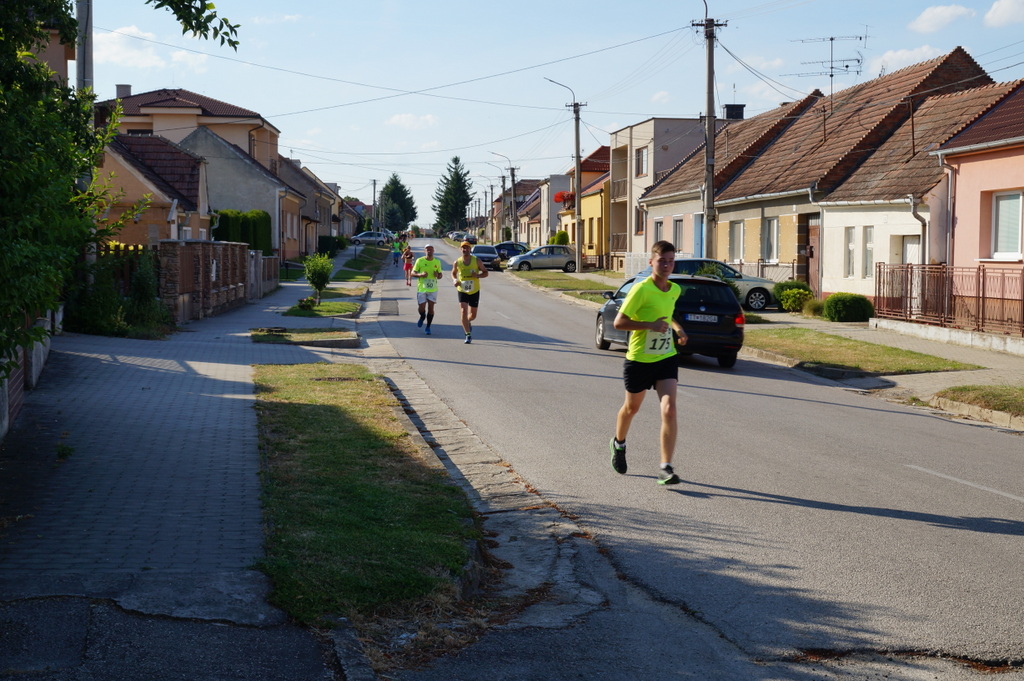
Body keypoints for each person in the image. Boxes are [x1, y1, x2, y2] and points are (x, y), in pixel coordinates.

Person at [609, 240, 688, 485]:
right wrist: (649, 325)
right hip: (639, 359)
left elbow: (668, 312)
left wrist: (678, 328)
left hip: (665, 357)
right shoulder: (640, 289)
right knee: (632, 409)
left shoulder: (674, 289)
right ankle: (618, 443)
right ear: (651, 262)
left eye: (671, 261)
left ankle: (665, 467)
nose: (666, 265)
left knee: (670, 409)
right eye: (662, 260)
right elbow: (619, 323)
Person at [451, 240, 488, 344]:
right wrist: (455, 280)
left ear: (470, 249)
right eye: (463, 248)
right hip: (462, 289)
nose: (465, 249)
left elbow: (485, 273)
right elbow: (453, 273)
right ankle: (468, 335)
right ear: (461, 249)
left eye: (467, 248)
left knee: (473, 315)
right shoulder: (457, 262)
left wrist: (477, 275)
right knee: (463, 311)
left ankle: (468, 321)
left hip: (474, 290)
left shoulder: (476, 260)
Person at [411, 243, 443, 335]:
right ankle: (422, 316)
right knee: (421, 308)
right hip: (422, 288)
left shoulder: (437, 261)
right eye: (427, 249)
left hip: (433, 289)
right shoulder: (419, 261)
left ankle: (428, 326)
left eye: (431, 249)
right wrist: (420, 275)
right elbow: (413, 273)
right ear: (425, 251)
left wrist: (438, 275)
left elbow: (440, 275)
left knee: (431, 308)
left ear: (433, 251)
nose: (429, 251)